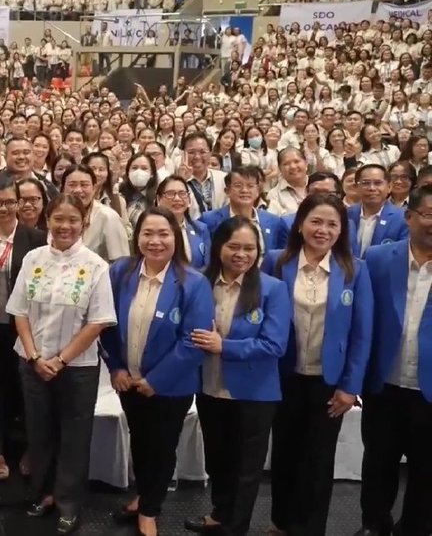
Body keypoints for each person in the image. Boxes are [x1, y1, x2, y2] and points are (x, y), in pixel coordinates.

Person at [263, 194, 374, 536]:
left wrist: (350, 386)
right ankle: (281, 523)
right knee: (283, 453)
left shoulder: (355, 269)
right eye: (315, 221)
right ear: (300, 224)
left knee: (318, 461)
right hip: (283, 377)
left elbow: (362, 333)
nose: (322, 230)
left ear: (342, 230)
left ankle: (309, 529)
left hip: (329, 382)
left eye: (332, 224)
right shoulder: (276, 262)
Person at [7, 194, 116, 535]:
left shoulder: (96, 266)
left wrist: (59, 360)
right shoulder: (32, 259)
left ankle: (69, 503)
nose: (65, 226)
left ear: (83, 223)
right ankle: (41, 493)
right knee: (39, 432)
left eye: (73, 220)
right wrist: (36, 357)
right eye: (58, 219)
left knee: (74, 435)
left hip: (77, 367)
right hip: (32, 361)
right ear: (47, 221)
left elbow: (97, 322)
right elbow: (20, 311)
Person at [102, 208, 215, 536]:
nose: (155, 241)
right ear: (136, 237)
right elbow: (106, 322)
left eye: (163, 234)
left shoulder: (193, 282)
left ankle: (150, 510)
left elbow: (193, 342)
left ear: (175, 238)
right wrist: (116, 367)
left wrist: (157, 381)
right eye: (147, 233)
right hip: (128, 381)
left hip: (171, 386)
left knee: (162, 446)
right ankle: (142, 496)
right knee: (139, 440)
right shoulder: (121, 272)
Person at [187, 216, 292, 536]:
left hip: (254, 391)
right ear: (219, 246)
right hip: (209, 386)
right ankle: (220, 514)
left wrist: (224, 346)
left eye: (249, 248)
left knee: (246, 468)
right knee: (218, 460)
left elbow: (275, 344)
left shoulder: (272, 289)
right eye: (234, 246)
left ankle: (236, 527)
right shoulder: (199, 282)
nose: (241, 254)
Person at [357, 185, 432, 536]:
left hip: (429, 390)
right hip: (383, 386)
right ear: (409, 216)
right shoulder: (377, 258)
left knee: (426, 472)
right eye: (428, 214)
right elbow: (361, 322)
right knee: (377, 464)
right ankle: (375, 526)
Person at [0, 172, 46, 480]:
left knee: (25, 390)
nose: (3, 208)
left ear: (19, 203)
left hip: (23, 327)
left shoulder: (35, 238)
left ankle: (32, 450)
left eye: (9, 202)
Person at [199, 166, 287, 254]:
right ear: (227, 191)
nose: (245, 190)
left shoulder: (274, 222)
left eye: (250, 186)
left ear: (258, 191)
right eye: (238, 186)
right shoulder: (208, 220)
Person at [348, 164, 409, 258]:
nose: (372, 188)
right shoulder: (346, 214)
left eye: (378, 183)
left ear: (389, 187)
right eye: (365, 183)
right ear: (357, 187)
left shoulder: (403, 218)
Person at [156, 175, 210, 270]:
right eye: (170, 193)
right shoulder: (153, 231)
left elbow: (208, 266)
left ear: (189, 200)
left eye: (182, 193)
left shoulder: (201, 229)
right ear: (159, 200)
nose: (177, 198)